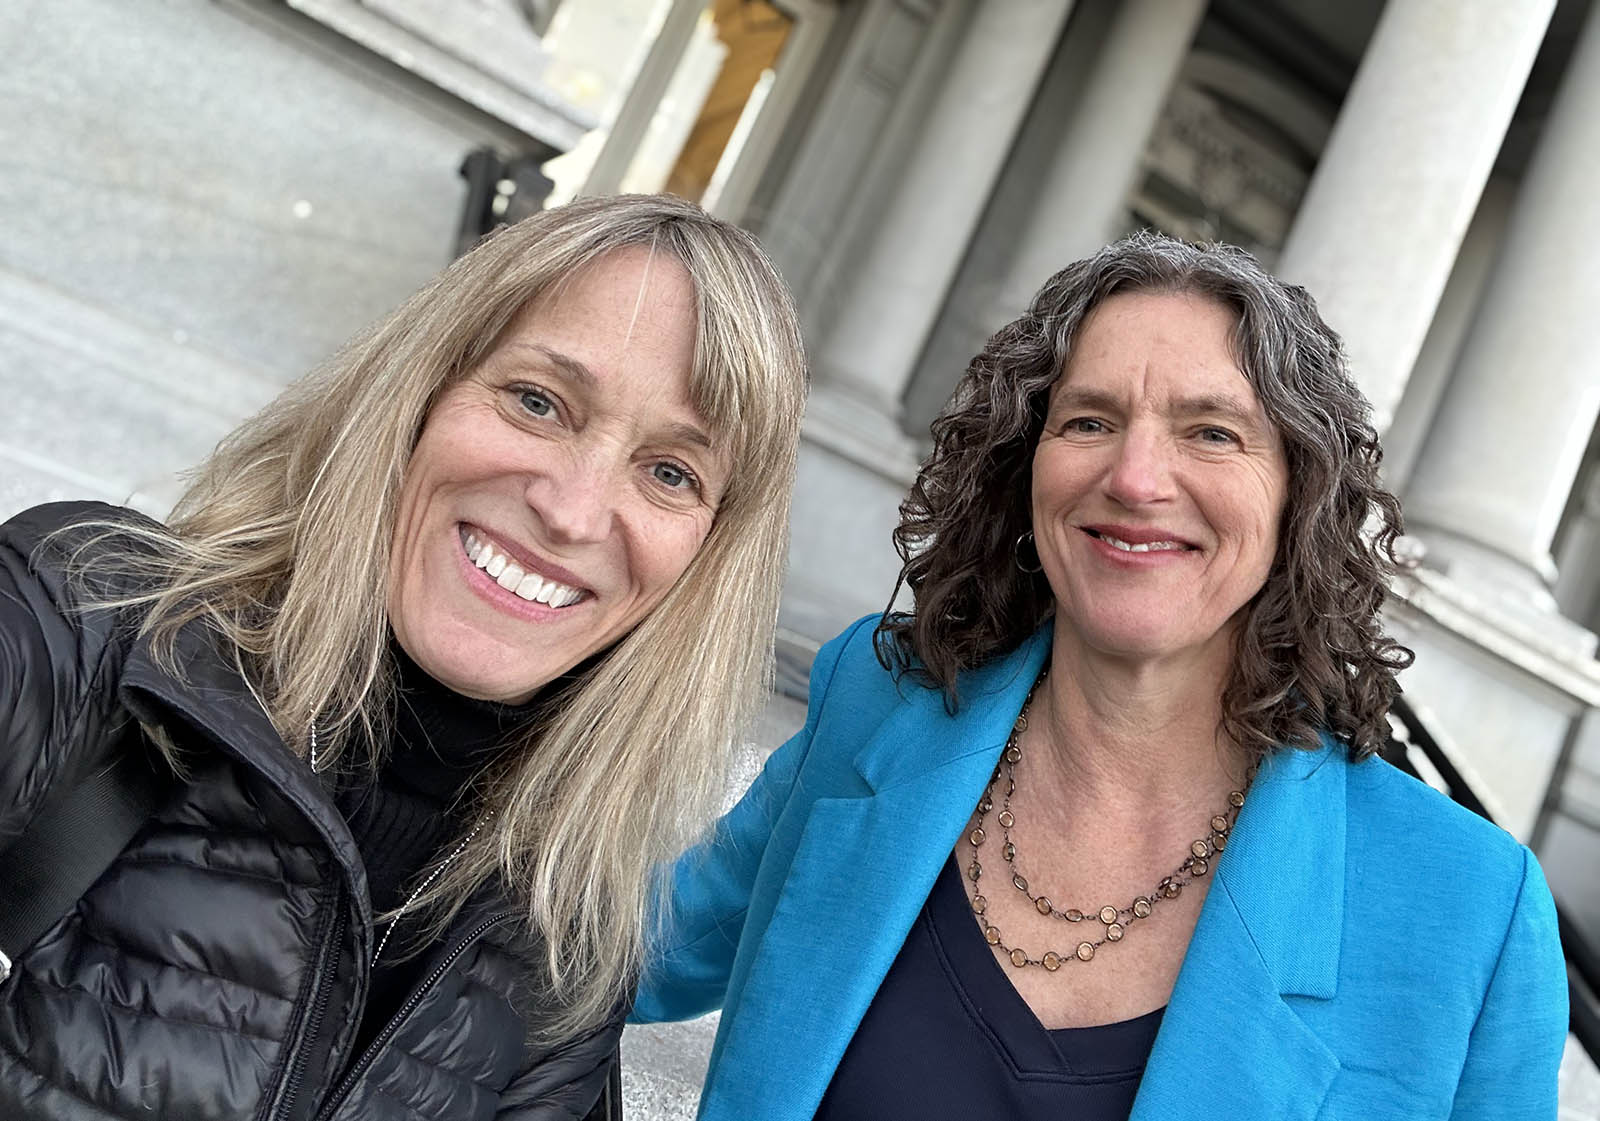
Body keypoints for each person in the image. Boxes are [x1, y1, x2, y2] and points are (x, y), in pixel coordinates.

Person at [633, 232, 1569, 1120]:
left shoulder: (1468, 913)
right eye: (1090, 419)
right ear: (1023, 463)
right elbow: (623, 953)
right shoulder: (879, 705)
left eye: (1211, 433)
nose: (1134, 477)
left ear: (1300, 498)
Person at [0, 193, 807, 1120]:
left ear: (707, 559)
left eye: (671, 472)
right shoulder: (78, 620)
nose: (573, 511)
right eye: (538, 402)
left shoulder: (564, 956)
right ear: (419, 393)